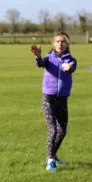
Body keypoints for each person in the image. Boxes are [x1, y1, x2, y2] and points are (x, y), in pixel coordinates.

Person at [30, 31, 77, 172]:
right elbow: (40, 63)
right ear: (53, 44)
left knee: (62, 130)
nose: (60, 44)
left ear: (67, 44)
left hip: (62, 99)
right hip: (48, 99)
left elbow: (72, 67)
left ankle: (52, 155)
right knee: (53, 129)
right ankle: (50, 162)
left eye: (63, 42)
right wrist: (38, 56)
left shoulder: (71, 59)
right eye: (57, 41)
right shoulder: (48, 58)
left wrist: (69, 67)